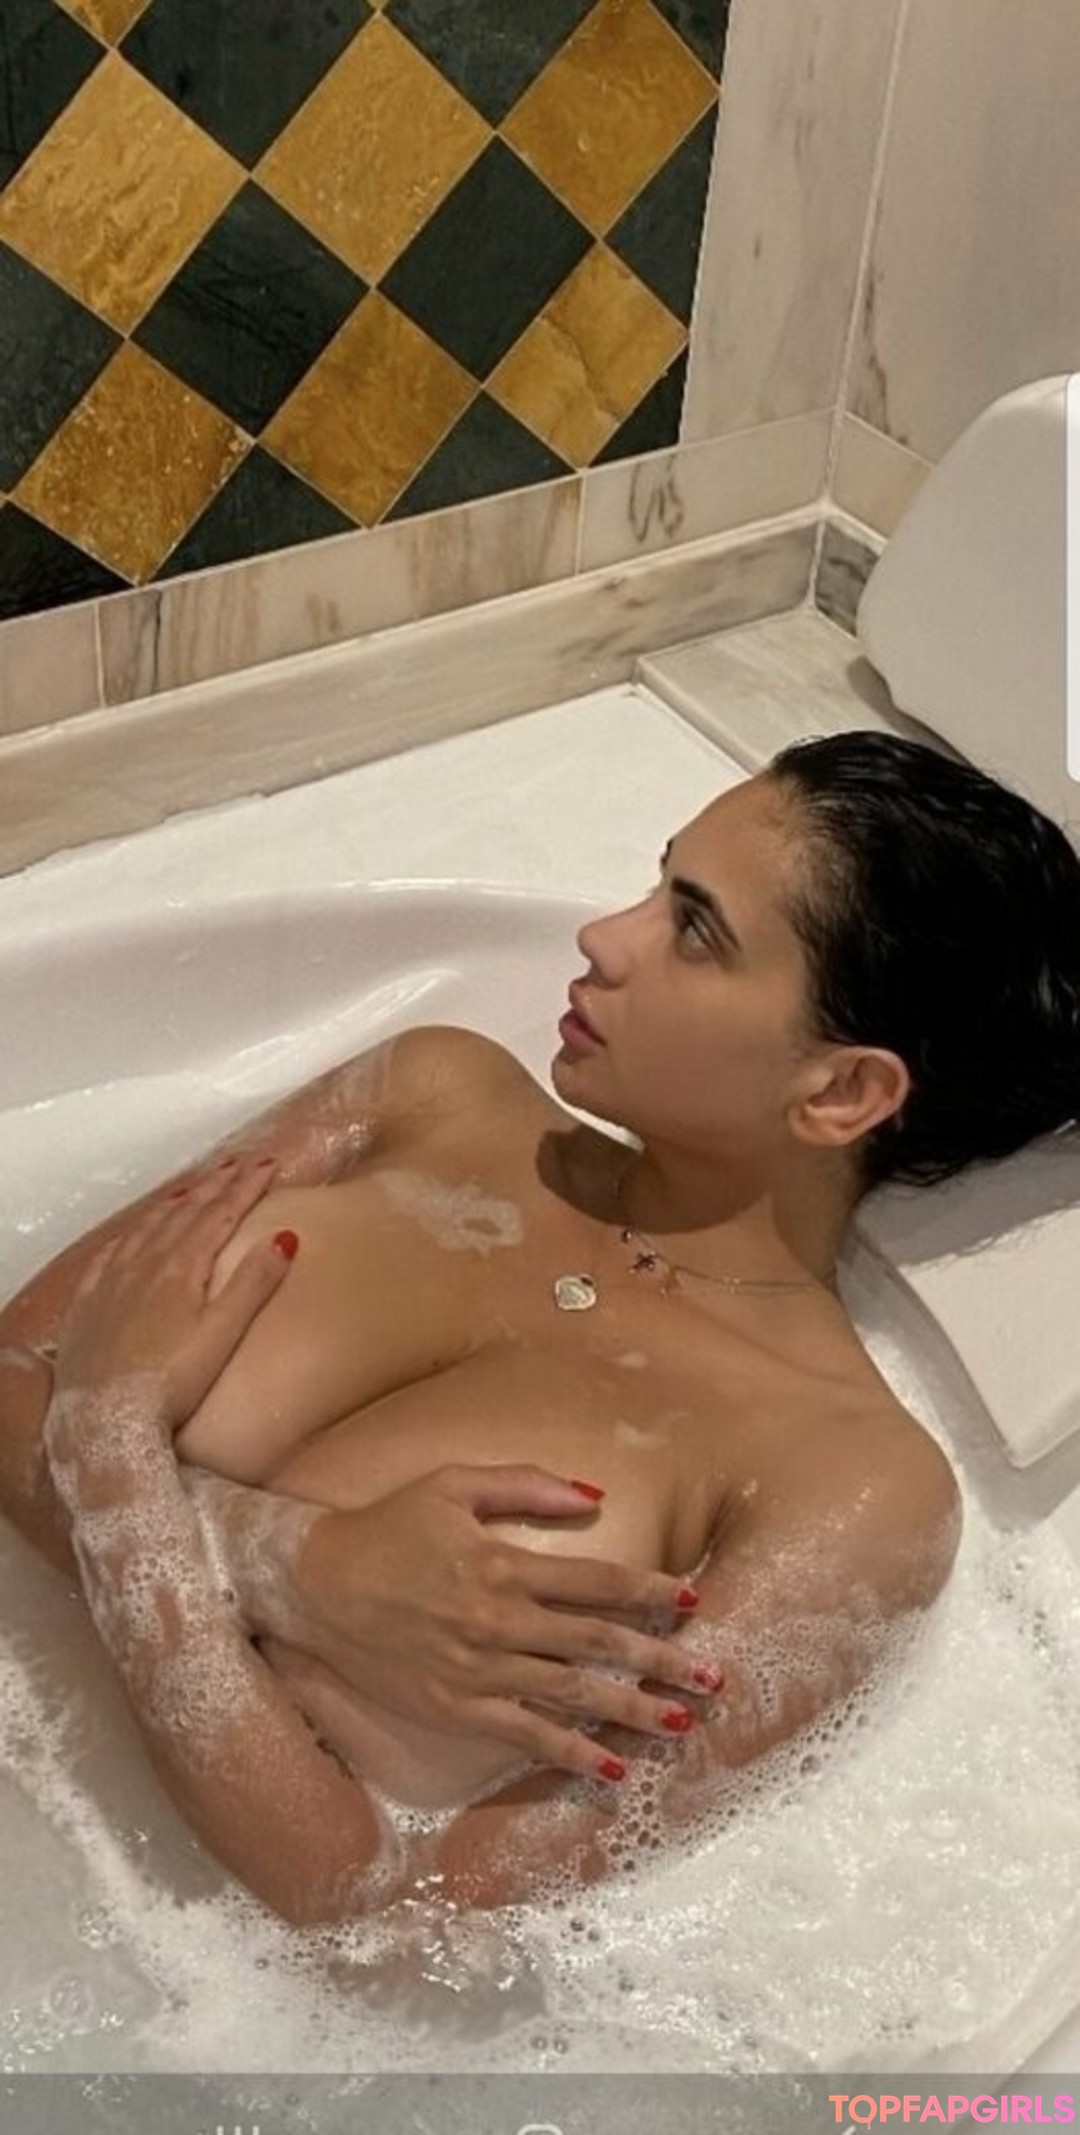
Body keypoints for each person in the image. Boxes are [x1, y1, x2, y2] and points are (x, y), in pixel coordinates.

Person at [4, 731, 1078, 1929]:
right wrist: (290, 1563)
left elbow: (405, 1917)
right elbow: (8, 1369)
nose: (605, 936)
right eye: (656, 881)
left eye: (694, 929)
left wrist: (111, 1443)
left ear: (840, 1091)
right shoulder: (430, 1090)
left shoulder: (850, 1485)